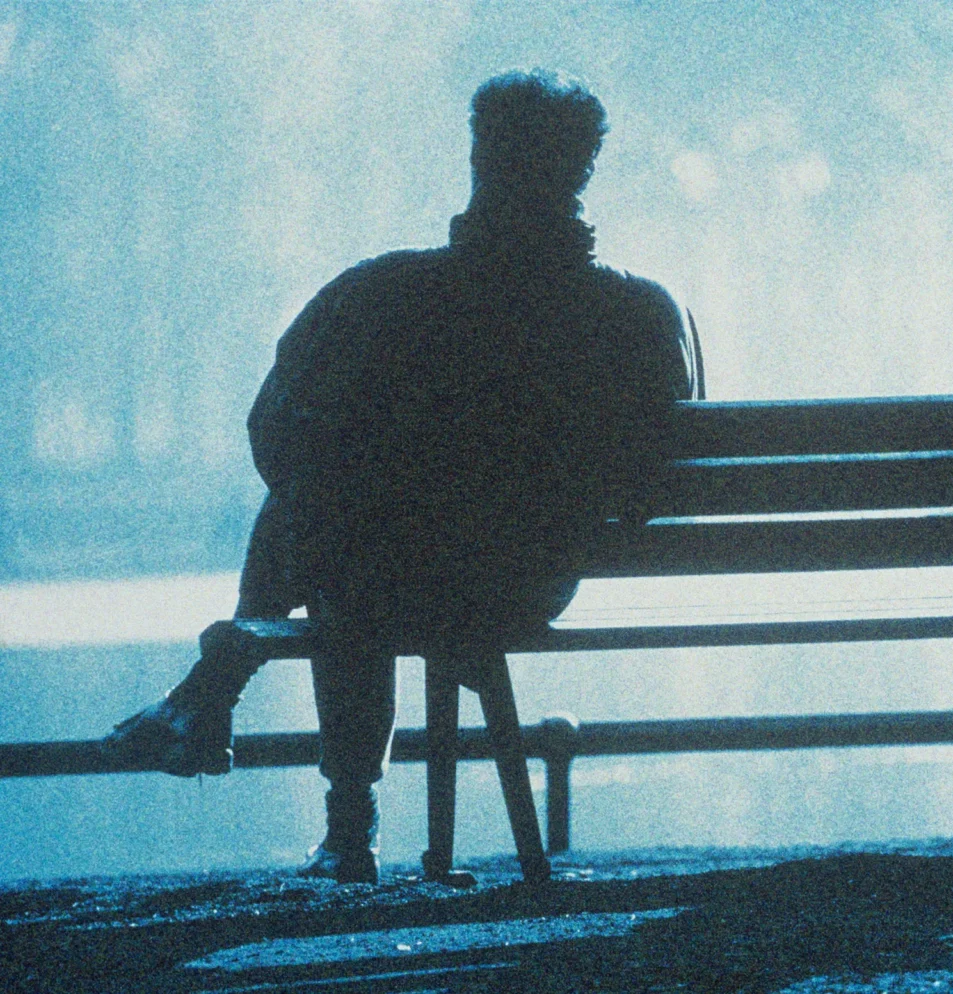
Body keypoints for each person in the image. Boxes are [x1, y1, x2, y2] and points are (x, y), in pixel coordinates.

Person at [103, 70, 704, 884]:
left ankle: (322, 800)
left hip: (380, 579)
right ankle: (221, 702)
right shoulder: (640, 314)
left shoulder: (378, 294)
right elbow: (661, 479)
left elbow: (272, 439)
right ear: (584, 169)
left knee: (322, 515)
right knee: (339, 518)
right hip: (527, 582)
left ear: (479, 159)